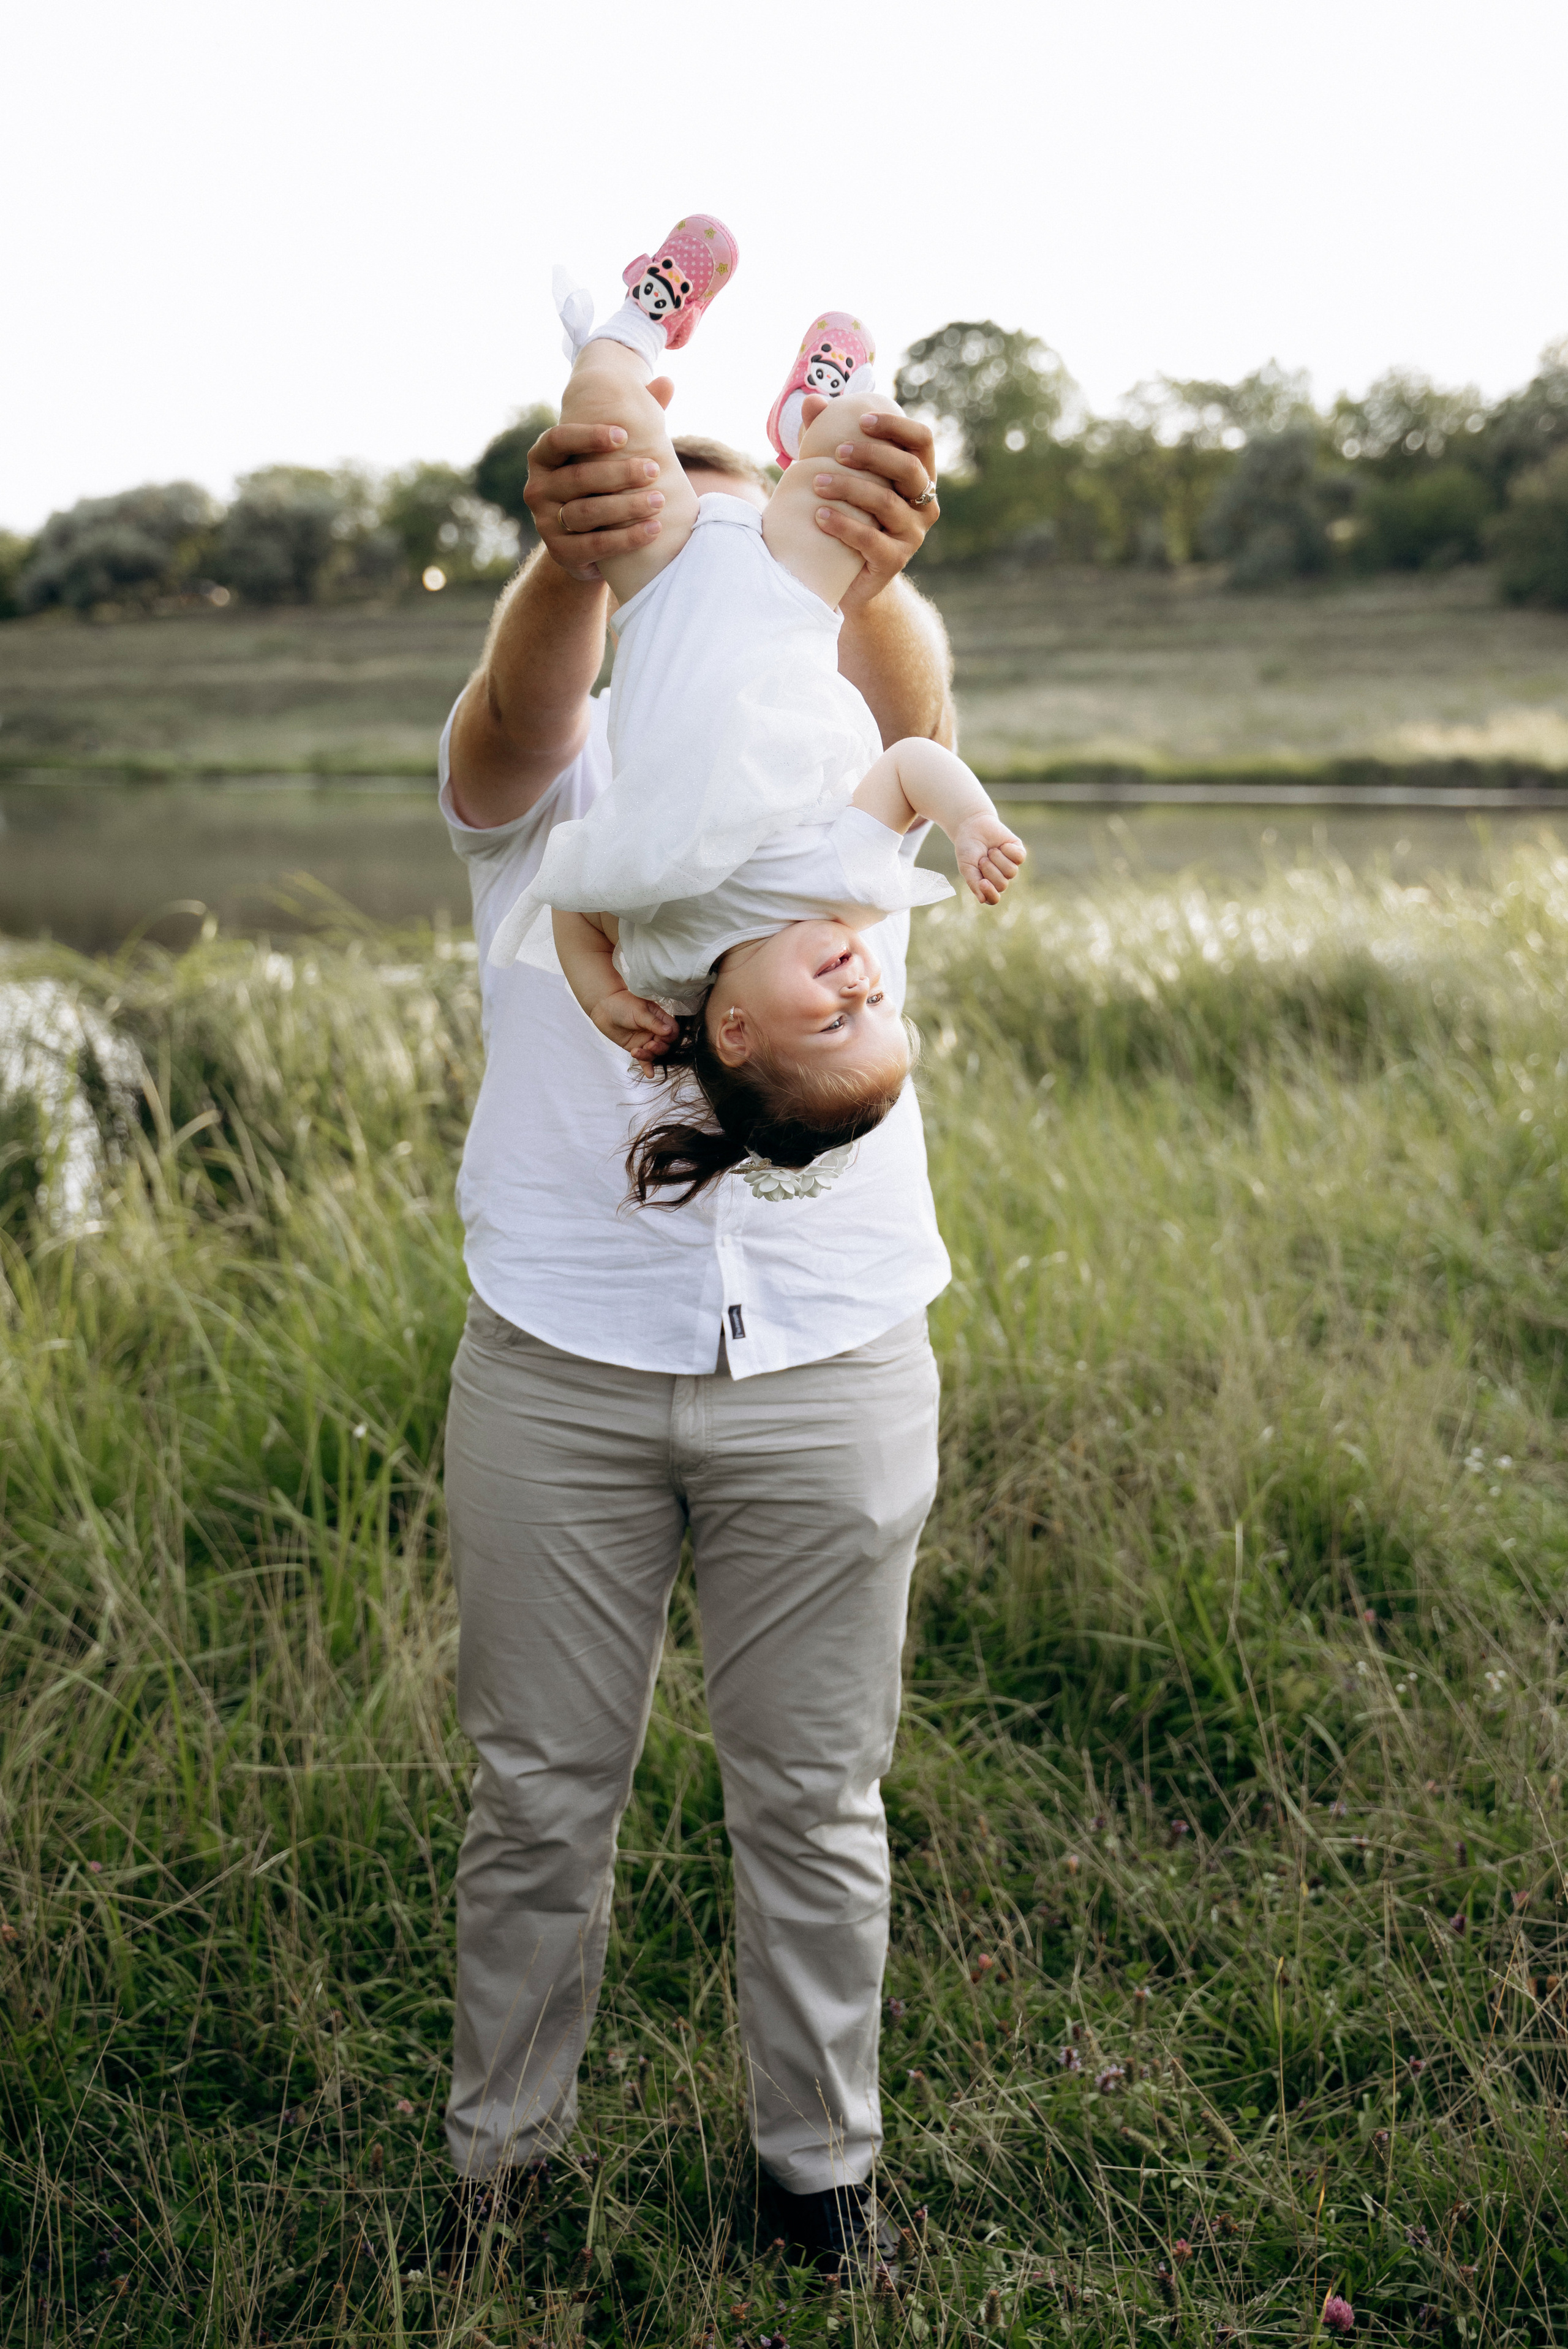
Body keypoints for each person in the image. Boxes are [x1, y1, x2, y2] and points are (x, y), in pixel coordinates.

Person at [436, 214, 957, 2281]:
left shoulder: (850, 806)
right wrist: (572, 555)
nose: (717, 564)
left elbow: (903, 676)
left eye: (760, 536)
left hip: (833, 1356)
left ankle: (817, 2184)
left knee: (816, 1799)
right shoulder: (548, 795)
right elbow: (507, 721)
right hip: (557, 1358)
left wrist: (879, 572)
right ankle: (498, 2179)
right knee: (540, 1796)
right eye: (678, 544)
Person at [489, 222, 1023, 1209]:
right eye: (880, 1007)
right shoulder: (846, 886)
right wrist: (972, 820)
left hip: (653, 591)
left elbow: (573, 899)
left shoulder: (661, 953)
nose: (863, 987)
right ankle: (823, 410)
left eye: (837, 1020)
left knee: (598, 418)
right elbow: (911, 759)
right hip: (792, 598)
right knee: (866, 465)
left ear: (733, 1034)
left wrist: (603, 992)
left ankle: (640, 316)